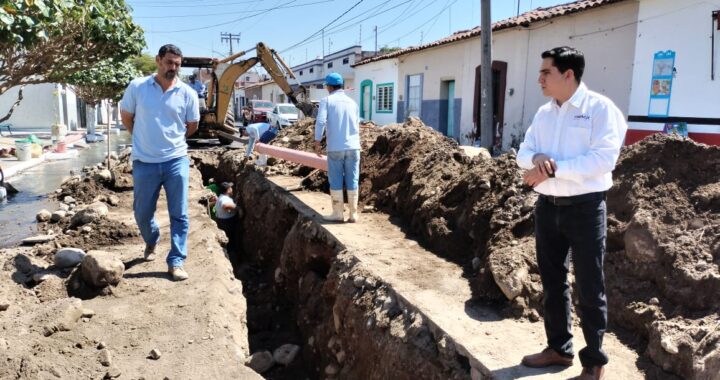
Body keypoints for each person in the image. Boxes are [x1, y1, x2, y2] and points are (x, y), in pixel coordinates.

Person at [516, 46, 627, 380]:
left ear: (568, 74)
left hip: (585, 208)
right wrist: (536, 161)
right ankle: (559, 349)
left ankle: (594, 363)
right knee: (552, 281)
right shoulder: (544, 113)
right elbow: (524, 152)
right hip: (547, 208)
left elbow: (603, 160)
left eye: (545, 72)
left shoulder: (600, 110)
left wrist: (552, 169)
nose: (539, 79)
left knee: (590, 287)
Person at [119, 44, 200, 282]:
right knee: (142, 213)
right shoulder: (138, 87)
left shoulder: (188, 93)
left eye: (177, 64)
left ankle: (176, 261)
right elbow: (126, 116)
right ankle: (152, 238)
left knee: (180, 214)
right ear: (158, 60)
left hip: (176, 160)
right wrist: (143, 139)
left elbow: (192, 125)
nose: (172, 68)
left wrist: (173, 141)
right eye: (168, 62)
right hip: (145, 162)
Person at [314, 72, 361, 223]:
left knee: (335, 180)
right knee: (352, 179)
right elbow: (357, 125)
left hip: (335, 147)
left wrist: (317, 142)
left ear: (329, 86)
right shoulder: (353, 103)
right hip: (354, 147)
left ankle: (338, 213)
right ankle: (353, 214)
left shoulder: (326, 100)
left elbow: (321, 121)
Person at [213, 182, 238, 251]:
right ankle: (233, 255)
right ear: (228, 190)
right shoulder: (224, 199)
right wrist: (237, 207)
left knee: (230, 240)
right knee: (232, 241)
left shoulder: (221, 197)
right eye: (230, 188)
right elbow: (225, 205)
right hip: (227, 224)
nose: (232, 189)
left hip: (222, 222)